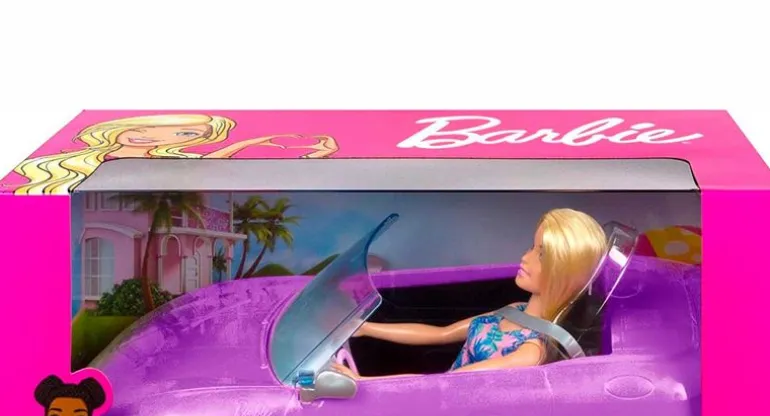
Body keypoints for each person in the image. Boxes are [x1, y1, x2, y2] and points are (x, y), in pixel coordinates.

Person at [334, 208, 608, 378]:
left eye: (542, 255)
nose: (525, 257)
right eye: (531, 247)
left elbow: (441, 384)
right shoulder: (516, 309)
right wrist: (365, 328)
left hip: (447, 410)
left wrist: (363, 383)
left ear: (562, 273)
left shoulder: (532, 351)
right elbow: (441, 334)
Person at [13, 113, 339, 194]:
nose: (154, 136)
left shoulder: (178, 163)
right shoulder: (65, 164)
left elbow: (219, 164)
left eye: (187, 135)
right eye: (153, 128)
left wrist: (257, 142)